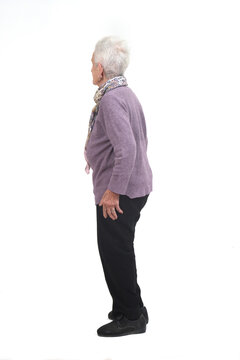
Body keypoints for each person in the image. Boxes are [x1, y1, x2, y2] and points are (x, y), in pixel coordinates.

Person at [84, 35, 153, 337]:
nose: (89, 69)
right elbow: (131, 143)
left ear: (100, 68)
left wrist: (113, 191)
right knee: (117, 250)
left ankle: (132, 316)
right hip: (133, 185)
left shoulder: (111, 100)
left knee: (115, 252)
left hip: (121, 192)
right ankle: (129, 304)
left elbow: (127, 148)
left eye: (90, 64)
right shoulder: (123, 92)